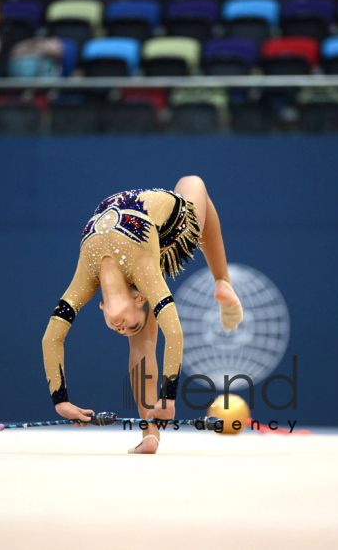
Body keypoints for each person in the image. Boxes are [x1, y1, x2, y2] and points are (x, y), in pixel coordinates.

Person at [42, 177, 243, 454]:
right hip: (134, 228)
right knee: (142, 344)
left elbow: (174, 332)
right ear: (100, 306)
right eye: (128, 328)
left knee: (192, 183)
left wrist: (168, 398)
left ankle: (222, 279)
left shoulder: (134, 270)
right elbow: (52, 337)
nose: (122, 329)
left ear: (140, 297)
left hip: (164, 225)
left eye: (123, 328)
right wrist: (61, 401)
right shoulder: (89, 276)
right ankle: (149, 433)